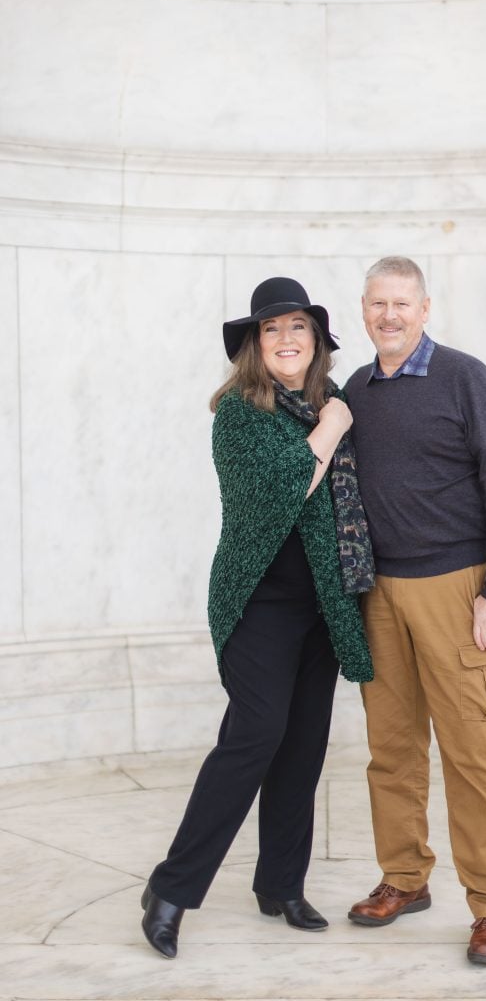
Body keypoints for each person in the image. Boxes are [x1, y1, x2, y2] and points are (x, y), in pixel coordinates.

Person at [141, 277, 374, 959]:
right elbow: (281, 491)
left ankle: (280, 885)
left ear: (315, 341)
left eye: (297, 327)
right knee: (255, 735)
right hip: (257, 604)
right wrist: (332, 423)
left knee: (301, 747)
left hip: (321, 604)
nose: (285, 339)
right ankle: (172, 889)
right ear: (254, 345)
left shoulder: (325, 401)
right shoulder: (239, 415)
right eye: (271, 330)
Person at [344, 257, 486, 966]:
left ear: (424, 308)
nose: (388, 315)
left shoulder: (463, 376)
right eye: (376, 304)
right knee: (390, 751)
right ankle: (403, 878)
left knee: (470, 753)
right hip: (379, 595)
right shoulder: (357, 388)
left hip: (457, 589)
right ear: (363, 311)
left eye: (401, 303)